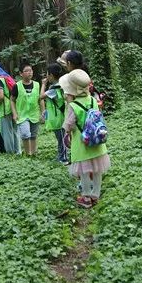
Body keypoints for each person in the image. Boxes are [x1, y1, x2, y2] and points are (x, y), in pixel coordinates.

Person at [60, 69, 110, 208]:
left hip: (82, 145)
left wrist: (67, 132)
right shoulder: (94, 100)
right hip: (97, 143)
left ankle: (86, 196)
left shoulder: (73, 106)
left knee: (84, 172)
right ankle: (96, 195)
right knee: (97, 170)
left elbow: (68, 125)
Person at [10, 64, 41, 156]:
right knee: (25, 134)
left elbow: (40, 99)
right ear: (21, 74)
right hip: (22, 115)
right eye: (26, 71)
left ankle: (33, 153)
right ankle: (28, 154)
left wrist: (43, 112)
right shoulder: (17, 86)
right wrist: (14, 113)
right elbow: (12, 100)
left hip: (34, 114)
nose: (29, 72)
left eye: (30, 70)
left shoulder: (37, 85)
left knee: (33, 135)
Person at [40, 63, 67, 164]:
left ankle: (63, 158)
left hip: (58, 118)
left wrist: (43, 84)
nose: (46, 77)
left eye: (47, 74)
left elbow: (41, 96)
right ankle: (61, 156)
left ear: (51, 75)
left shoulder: (54, 88)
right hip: (59, 117)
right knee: (61, 138)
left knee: (62, 139)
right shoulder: (61, 85)